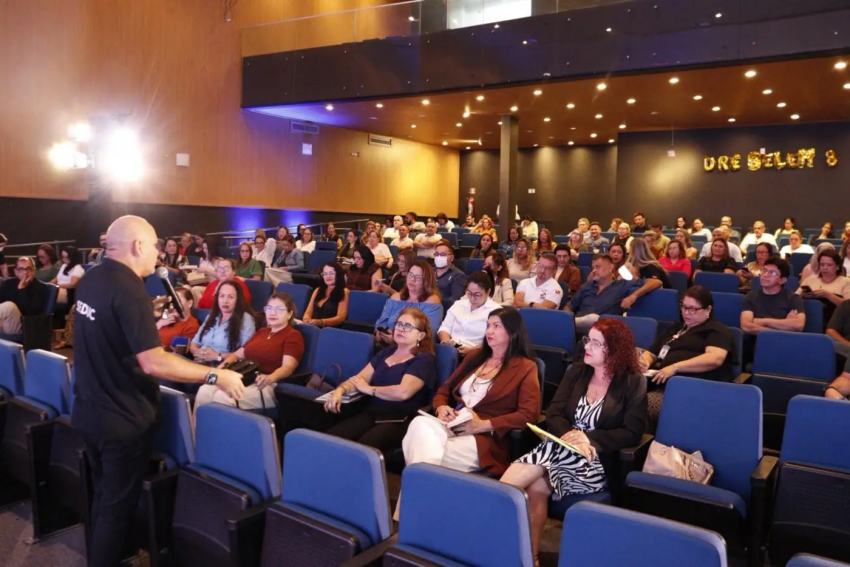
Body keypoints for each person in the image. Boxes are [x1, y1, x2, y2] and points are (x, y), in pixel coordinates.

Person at [72, 216, 245, 567]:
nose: (157, 253)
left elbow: (107, 327)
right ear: (138, 246)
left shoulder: (92, 278)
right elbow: (153, 363)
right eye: (154, 246)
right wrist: (215, 375)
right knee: (115, 510)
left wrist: (144, 317)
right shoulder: (129, 289)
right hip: (122, 419)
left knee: (103, 496)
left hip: (88, 409)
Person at [501, 318, 646, 563]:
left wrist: (587, 439)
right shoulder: (577, 372)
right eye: (587, 340)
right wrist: (571, 436)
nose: (586, 346)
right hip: (560, 446)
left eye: (596, 343)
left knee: (526, 484)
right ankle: (530, 558)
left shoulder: (633, 381)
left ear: (614, 349)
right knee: (534, 488)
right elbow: (554, 412)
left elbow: (632, 431)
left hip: (594, 459)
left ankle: (489, 514)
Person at [402, 307, 540, 478]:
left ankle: (411, 493)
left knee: (420, 448)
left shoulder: (526, 367)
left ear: (512, 332)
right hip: (453, 423)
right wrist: (442, 407)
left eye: (496, 326)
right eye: (488, 325)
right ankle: (421, 489)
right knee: (419, 424)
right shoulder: (475, 356)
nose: (489, 331)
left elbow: (529, 414)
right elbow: (445, 389)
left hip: (484, 437)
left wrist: (484, 424)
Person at [325, 307, 437, 450]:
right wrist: (340, 390)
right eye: (399, 324)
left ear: (420, 336)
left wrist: (370, 389)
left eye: (408, 326)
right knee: (332, 437)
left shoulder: (423, 359)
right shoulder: (386, 353)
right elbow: (359, 378)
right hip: (372, 413)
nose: (401, 329)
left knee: (364, 448)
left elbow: (403, 392)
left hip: (400, 419)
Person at [196, 292, 303, 411]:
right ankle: (197, 423)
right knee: (205, 390)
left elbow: (288, 366)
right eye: (269, 308)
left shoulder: (292, 335)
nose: (272, 313)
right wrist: (219, 370)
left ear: (289, 314)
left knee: (222, 397)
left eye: (279, 309)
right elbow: (237, 354)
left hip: (268, 384)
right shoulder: (262, 332)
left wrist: (272, 377)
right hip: (245, 377)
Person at [641, 286, 737, 383]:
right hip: (663, 381)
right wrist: (644, 363)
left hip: (697, 385)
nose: (686, 313)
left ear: (708, 309)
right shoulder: (674, 328)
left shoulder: (716, 330)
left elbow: (715, 359)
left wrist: (675, 367)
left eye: (692, 309)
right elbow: (651, 353)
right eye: (684, 307)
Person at [566, 254, 643, 332]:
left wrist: (634, 295)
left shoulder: (622, 285)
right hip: (577, 328)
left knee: (594, 319)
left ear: (610, 267)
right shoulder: (587, 286)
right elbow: (569, 306)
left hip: (603, 331)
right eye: (593, 267)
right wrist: (568, 318)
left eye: (597, 267)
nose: (594, 271)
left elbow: (651, 282)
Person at [189, 280, 256, 366]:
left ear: (238, 300)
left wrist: (217, 356)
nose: (225, 301)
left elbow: (245, 353)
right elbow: (195, 342)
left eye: (230, 297)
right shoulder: (211, 316)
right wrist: (197, 352)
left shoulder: (246, 319)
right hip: (199, 362)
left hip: (224, 366)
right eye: (222, 296)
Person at [374, 260, 442, 344]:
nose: (412, 279)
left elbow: (429, 333)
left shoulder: (432, 301)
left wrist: (397, 338)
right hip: (385, 343)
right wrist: (379, 332)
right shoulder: (395, 297)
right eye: (410, 275)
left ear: (426, 281)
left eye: (418, 277)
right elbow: (381, 321)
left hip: (415, 347)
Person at [741, 256, 805, 335]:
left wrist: (760, 321)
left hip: (783, 342)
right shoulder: (751, 296)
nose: (765, 275)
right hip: (756, 341)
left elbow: (798, 325)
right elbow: (746, 326)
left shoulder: (793, 298)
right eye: (764, 270)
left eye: (772, 273)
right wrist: (784, 325)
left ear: (782, 280)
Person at [438, 272, 500, 353]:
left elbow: (496, 341)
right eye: (469, 293)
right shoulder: (459, 304)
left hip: (477, 352)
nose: (472, 298)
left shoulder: (496, 311)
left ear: (488, 292)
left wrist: (474, 350)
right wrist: (446, 341)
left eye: (477, 295)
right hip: (451, 349)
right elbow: (445, 328)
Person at [797, 248, 850, 325]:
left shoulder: (846, 281)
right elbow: (795, 297)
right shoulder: (811, 279)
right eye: (822, 264)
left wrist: (827, 295)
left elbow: (848, 306)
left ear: (837, 267)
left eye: (829, 265)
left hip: (834, 321)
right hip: (808, 318)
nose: (825, 268)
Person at [0, 256, 49, 335]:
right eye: (21, 269)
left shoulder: (41, 288)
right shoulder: (8, 283)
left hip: (24, 326)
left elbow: (31, 312)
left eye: (29, 269)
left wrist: (22, 290)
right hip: (4, 323)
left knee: (9, 306)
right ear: (16, 272)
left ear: (34, 270)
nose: (26, 272)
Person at [303, 263, 349, 327]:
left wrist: (321, 322)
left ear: (338, 275)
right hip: (312, 326)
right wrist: (306, 319)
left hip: (329, 329)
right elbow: (308, 312)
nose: (328, 276)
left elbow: (341, 317)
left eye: (331, 273)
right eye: (325, 274)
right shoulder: (318, 290)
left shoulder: (344, 291)